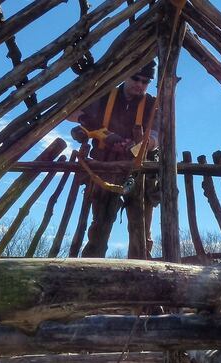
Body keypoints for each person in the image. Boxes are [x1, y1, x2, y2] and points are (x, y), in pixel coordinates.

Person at [67, 61, 160, 258]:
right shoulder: (104, 97)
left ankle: (141, 276)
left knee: (141, 228)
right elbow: (70, 112)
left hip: (139, 172)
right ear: (126, 75)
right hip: (105, 167)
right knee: (99, 225)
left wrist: (137, 147)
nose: (140, 85)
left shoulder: (152, 104)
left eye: (146, 81)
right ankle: (90, 273)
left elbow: (157, 137)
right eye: (136, 78)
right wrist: (100, 133)